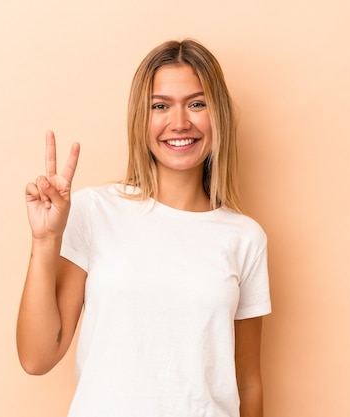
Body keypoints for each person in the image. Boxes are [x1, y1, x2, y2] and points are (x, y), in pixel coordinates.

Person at [17, 39, 271, 417]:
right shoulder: (93, 210)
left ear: (218, 115)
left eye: (197, 103)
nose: (180, 122)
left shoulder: (245, 238)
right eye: (160, 106)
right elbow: (37, 358)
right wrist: (45, 240)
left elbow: (247, 382)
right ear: (141, 117)